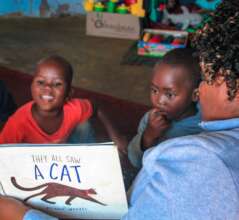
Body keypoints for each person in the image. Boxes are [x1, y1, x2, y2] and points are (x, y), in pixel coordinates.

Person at [1, 1, 239, 219]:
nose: (201, 92)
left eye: (207, 79)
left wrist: (22, 215)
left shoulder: (197, 159)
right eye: (154, 90)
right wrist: (145, 138)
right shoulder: (20, 120)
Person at [0, 55, 105, 144]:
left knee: (83, 124)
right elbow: (3, 152)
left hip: (67, 156)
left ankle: (90, 154)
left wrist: (116, 137)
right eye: (41, 82)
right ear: (31, 87)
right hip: (34, 160)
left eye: (57, 84)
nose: (48, 88)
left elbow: (96, 106)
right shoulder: (18, 121)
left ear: (69, 93)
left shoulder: (73, 109)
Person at [128, 48, 202, 168]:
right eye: (154, 90)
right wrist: (149, 135)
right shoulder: (150, 120)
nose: (159, 101)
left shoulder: (204, 128)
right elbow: (135, 161)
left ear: (195, 95)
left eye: (169, 94)